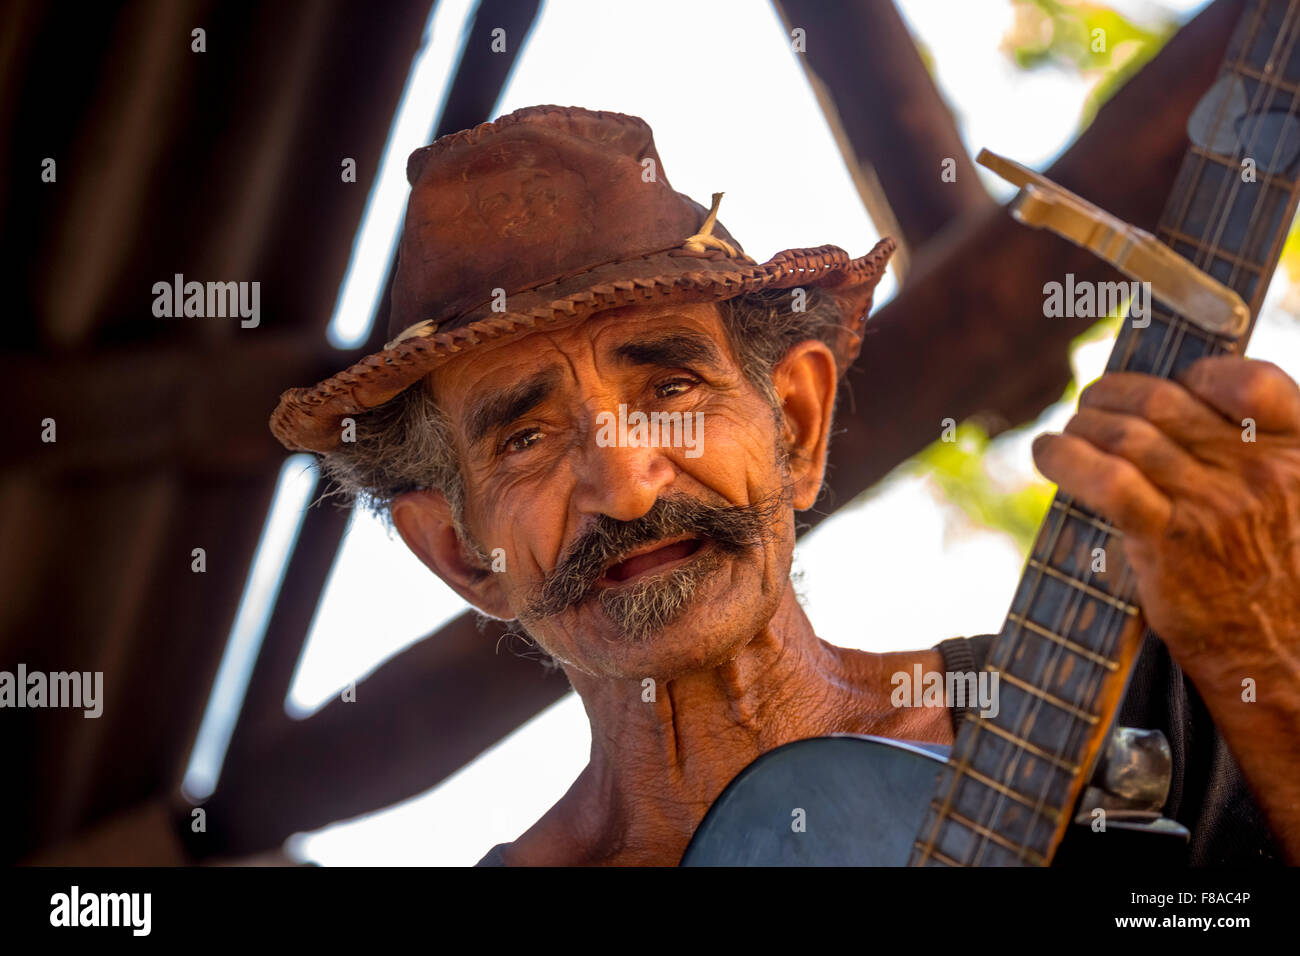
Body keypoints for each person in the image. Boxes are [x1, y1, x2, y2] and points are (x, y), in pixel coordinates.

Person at [271, 105, 1300, 866]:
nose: (627, 484)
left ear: (798, 426)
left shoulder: (1140, 707)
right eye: (527, 437)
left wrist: (1265, 652)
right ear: (461, 552)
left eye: (672, 383)